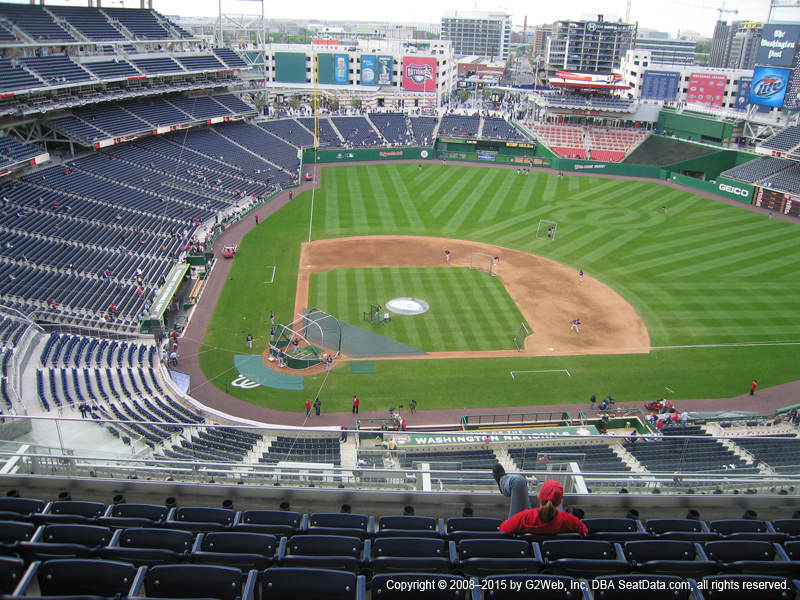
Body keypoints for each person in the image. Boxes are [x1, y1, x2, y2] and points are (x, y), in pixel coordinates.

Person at [492, 465, 587, 535]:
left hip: (527, 553)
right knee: (554, 490)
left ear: (539, 497)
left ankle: (502, 481)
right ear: (559, 502)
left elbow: (503, 529)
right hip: (549, 553)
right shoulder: (567, 520)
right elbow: (584, 530)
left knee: (518, 481)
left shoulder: (524, 517)